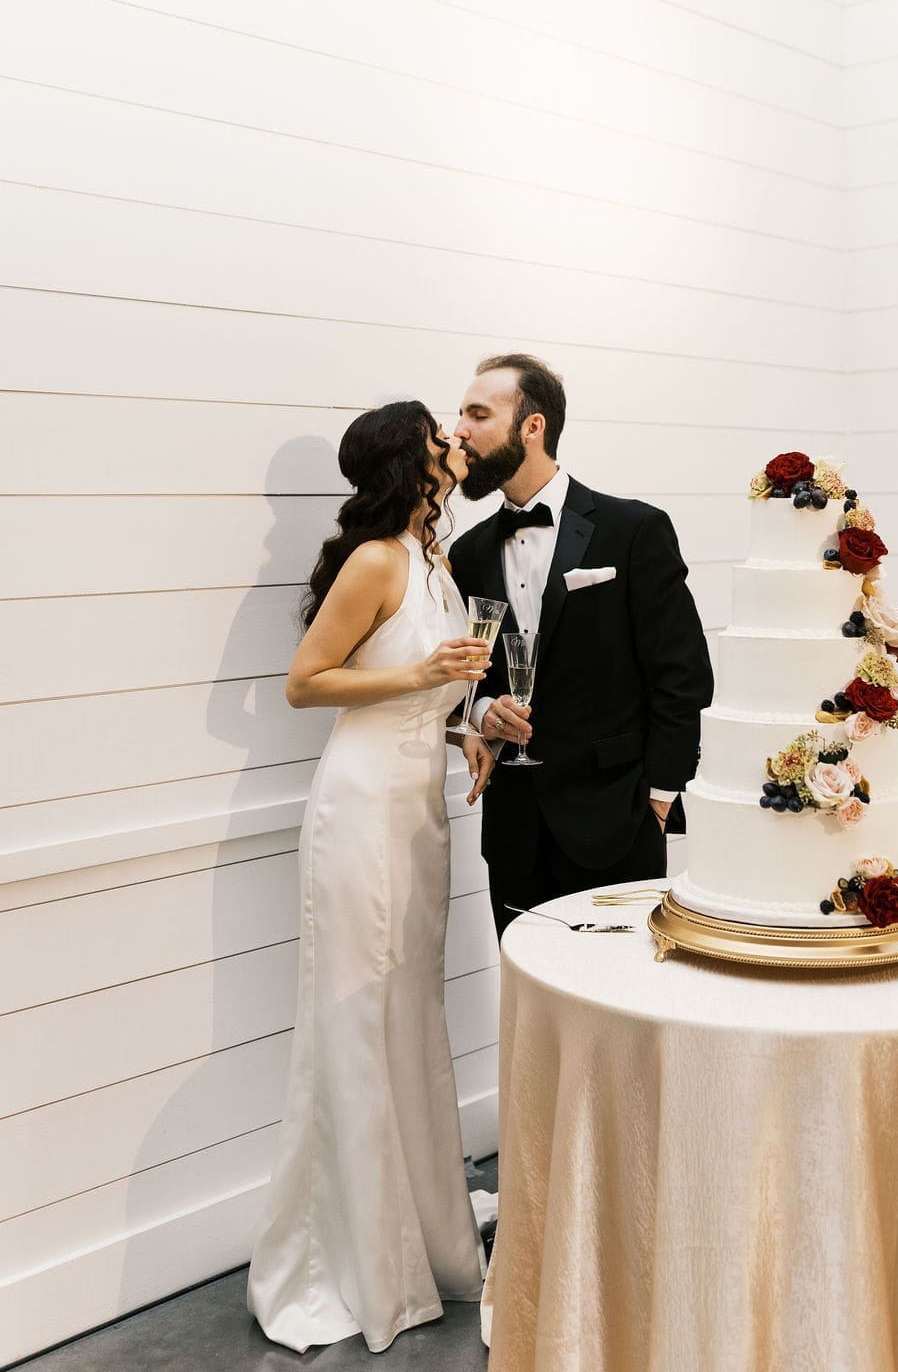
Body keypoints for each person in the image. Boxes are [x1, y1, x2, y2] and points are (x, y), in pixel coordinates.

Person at [247, 401, 494, 1355]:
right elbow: (307, 681)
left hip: (417, 810)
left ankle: (424, 1234)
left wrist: (469, 727)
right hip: (356, 813)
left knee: (407, 1016)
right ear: (413, 458)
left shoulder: (432, 559)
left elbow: (425, 694)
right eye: (441, 436)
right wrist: (421, 675)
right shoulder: (379, 559)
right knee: (355, 1018)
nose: (455, 446)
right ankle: (351, 1258)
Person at [449, 355, 714, 939]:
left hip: (618, 823)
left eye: (477, 414)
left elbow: (684, 674)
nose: (458, 430)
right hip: (515, 832)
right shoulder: (465, 554)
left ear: (532, 427)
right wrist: (481, 711)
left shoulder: (634, 529)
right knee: (529, 1003)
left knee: (620, 1003)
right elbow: (471, 676)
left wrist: (662, 796)